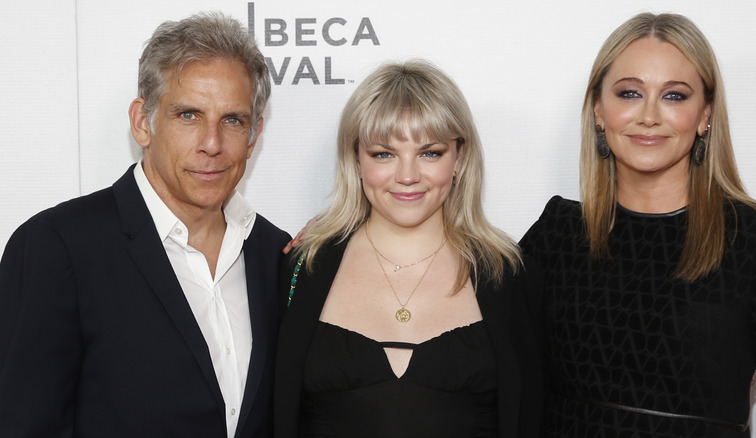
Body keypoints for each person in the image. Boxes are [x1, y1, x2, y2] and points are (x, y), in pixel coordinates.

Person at [0, 12, 290, 438]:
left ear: (254, 134)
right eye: (189, 115)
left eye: (232, 120)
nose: (212, 144)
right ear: (142, 122)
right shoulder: (57, 247)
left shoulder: (275, 253)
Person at [520, 12, 756, 438]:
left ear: (705, 115)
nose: (649, 116)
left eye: (674, 96)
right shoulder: (557, 234)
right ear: (599, 110)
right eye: (629, 93)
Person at [274, 60, 544, 438]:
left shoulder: (508, 274)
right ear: (356, 158)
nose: (407, 176)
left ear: (459, 158)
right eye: (383, 153)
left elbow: (532, 413)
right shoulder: (303, 268)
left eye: (429, 152)